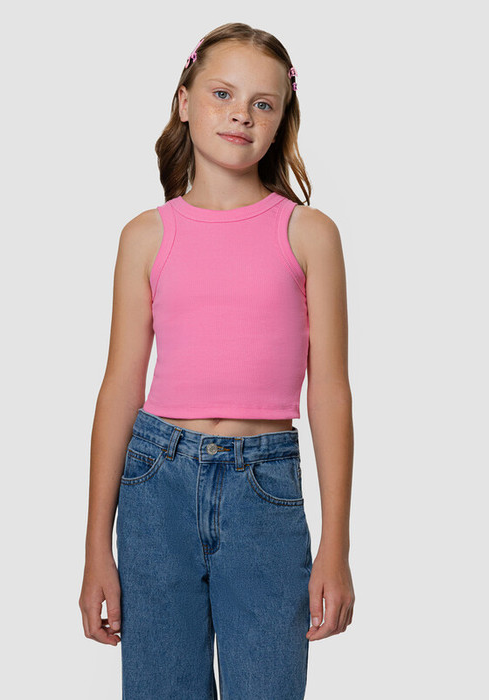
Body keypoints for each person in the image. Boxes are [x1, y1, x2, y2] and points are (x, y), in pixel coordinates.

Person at [79, 21, 355, 700]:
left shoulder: (307, 233)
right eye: (222, 94)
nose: (241, 114)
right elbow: (120, 388)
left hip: (265, 492)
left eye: (263, 102)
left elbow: (329, 391)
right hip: (155, 487)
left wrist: (336, 547)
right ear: (184, 101)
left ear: (281, 118)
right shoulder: (146, 235)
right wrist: (95, 549)